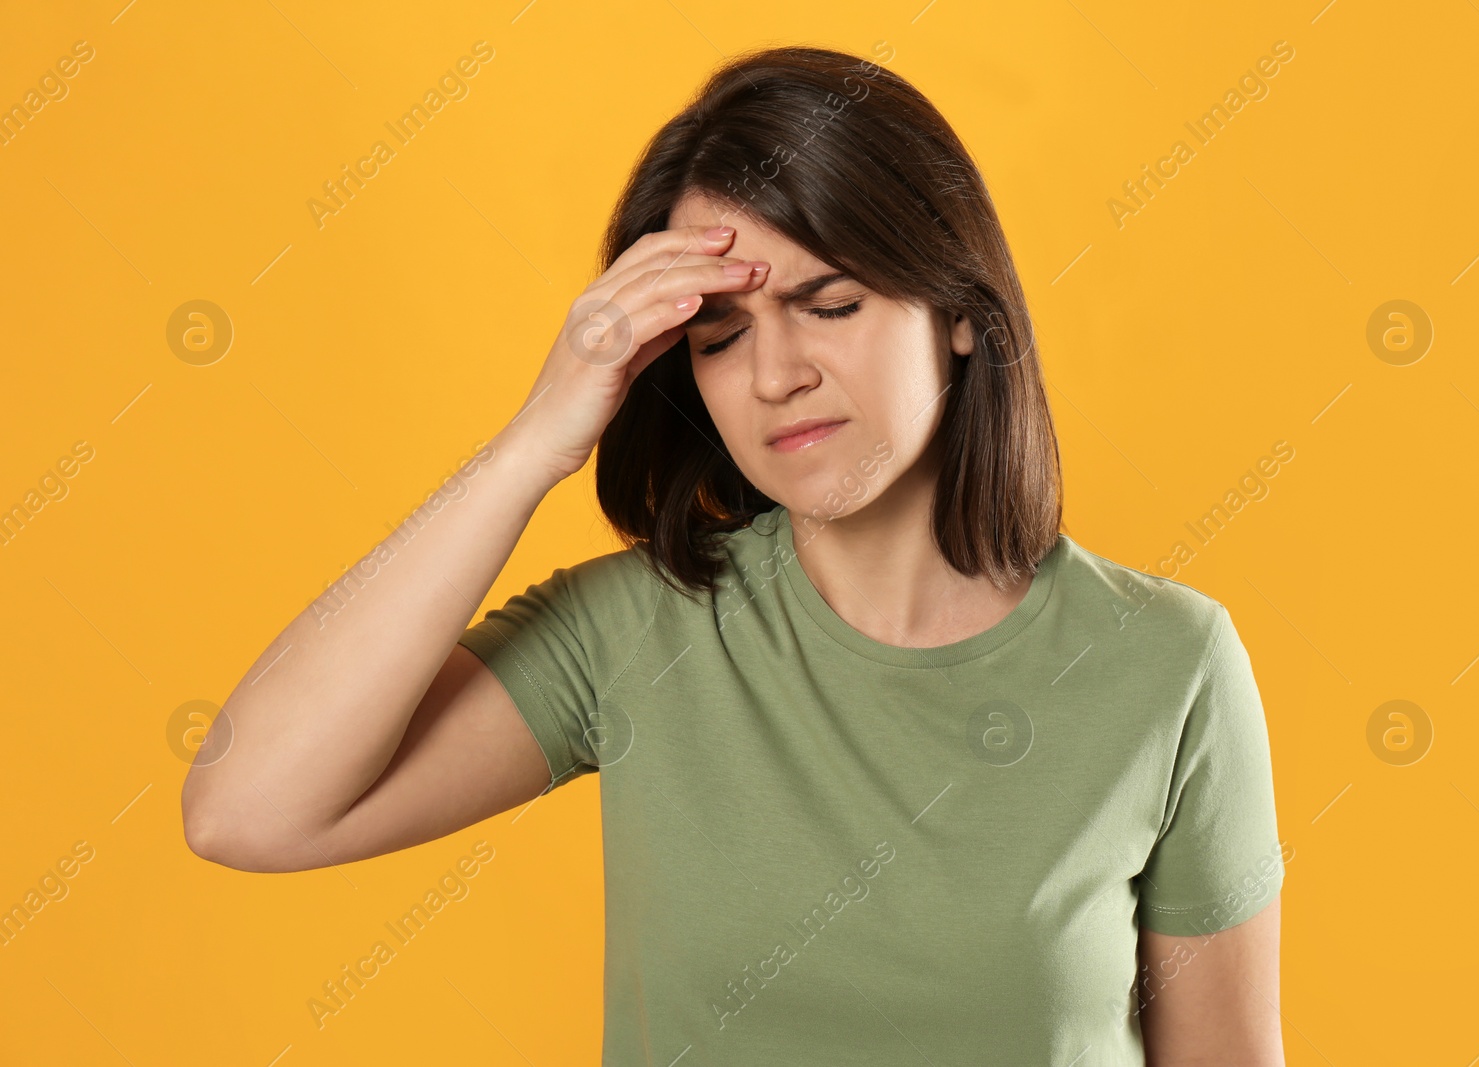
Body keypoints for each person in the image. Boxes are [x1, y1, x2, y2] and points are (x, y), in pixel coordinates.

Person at [182, 44, 1287, 1066]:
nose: (775, 375)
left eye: (830, 303)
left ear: (956, 308)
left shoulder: (1166, 663)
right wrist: (532, 445)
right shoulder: (638, 632)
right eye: (721, 337)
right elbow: (247, 808)